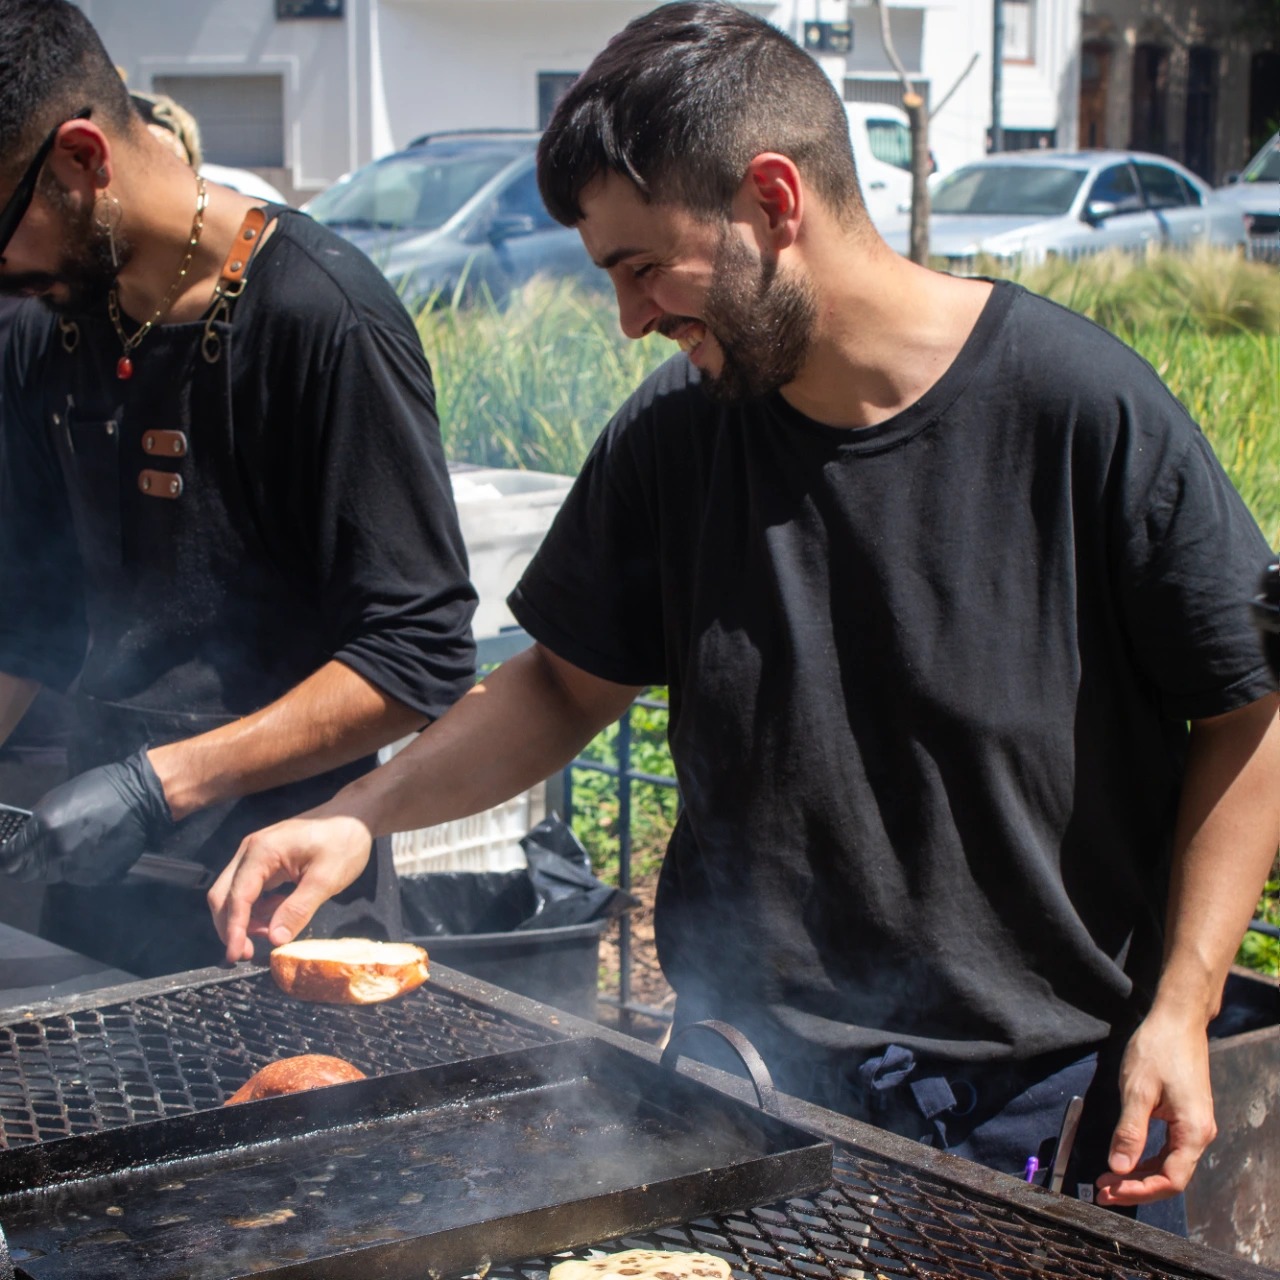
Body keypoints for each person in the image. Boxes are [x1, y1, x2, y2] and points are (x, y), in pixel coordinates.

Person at [209, 1, 1279, 1230]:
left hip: (1046, 1112)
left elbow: (1247, 710)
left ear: (773, 201)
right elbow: (563, 683)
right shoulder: (674, 439)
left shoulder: (1080, 413)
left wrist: (1181, 1008)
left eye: (637, 265)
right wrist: (358, 812)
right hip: (745, 1092)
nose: (627, 319)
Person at [0, 0, 477, 977]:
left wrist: (153, 786)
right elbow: (26, 617)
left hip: (283, 904)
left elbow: (417, 655)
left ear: (84, 161)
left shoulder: (320, 316)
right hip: (95, 890)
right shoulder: (46, 329)